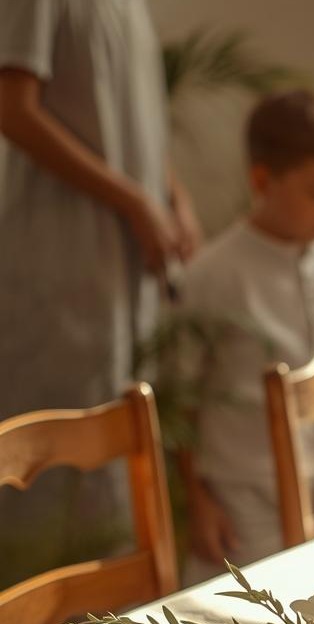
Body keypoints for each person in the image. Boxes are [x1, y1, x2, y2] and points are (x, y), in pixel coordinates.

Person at [0, 0, 200, 588]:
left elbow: (134, 121)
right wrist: (135, 201)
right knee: (51, 467)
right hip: (58, 269)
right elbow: (13, 108)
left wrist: (170, 195)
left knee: (118, 458)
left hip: (124, 272)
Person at [177, 89, 314, 582]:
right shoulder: (211, 276)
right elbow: (180, 402)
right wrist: (197, 505)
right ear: (262, 180)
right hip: (245, 511)